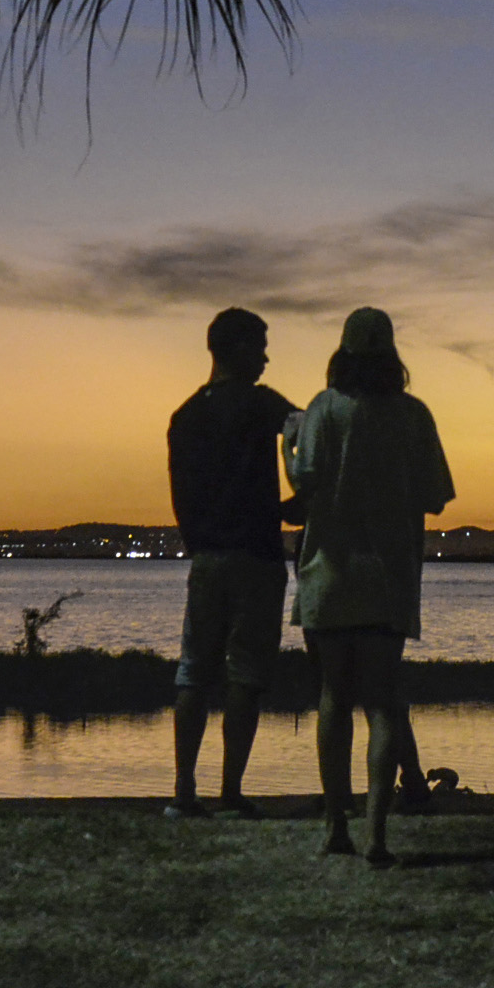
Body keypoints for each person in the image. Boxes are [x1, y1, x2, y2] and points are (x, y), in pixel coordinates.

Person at [291, 306, 455, 866]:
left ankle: (335, 823)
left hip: (327, 575)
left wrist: (293, 445)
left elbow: (304, 478)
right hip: (389, 577)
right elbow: (436, 494)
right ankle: (376, 833)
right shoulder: (414, 415)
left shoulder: (322, 410)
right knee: (383, 705)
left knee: (334, 700)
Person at [167, 305, 297, 818]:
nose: (266, 358)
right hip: (258, 558)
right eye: (260, 347)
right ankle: (230, 791)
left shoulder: (187, 415)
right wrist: (295, 504)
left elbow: (183, 497)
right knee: (245, 675)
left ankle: (183, 791)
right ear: (238, 348)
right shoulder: (262, 405)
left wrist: (199, 541)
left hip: (208, 558)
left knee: (194, 672)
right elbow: (311, 431)